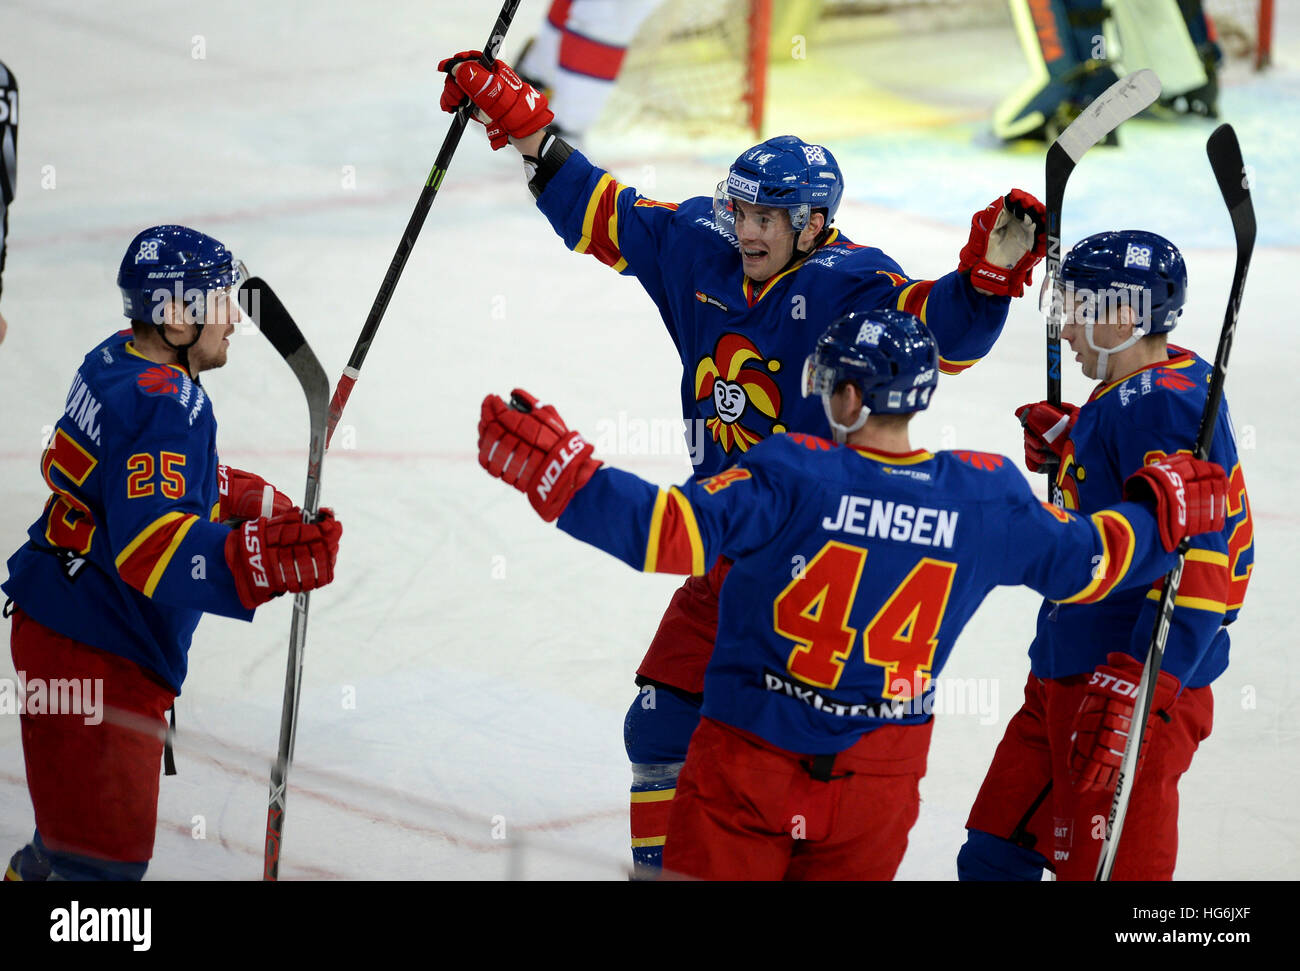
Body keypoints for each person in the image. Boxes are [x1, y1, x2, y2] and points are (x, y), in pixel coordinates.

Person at [437, 48, 1050, 870]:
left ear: (814, 223)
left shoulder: (852, 283)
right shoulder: (701, 245)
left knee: (772, 752)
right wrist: (527, 132)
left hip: (800, 543)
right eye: (742, 210)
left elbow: (939, 330)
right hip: (727, 526)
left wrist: (983, 284)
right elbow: (602, 212)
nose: (748, 229)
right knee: (658, 720)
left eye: (771, 216)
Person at [473, 308, 1228, 879]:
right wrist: (1160, 509)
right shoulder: (981, 495)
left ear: (851, 396)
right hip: (878, 783)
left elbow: (664, 531)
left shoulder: (791, 474)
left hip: (750, 763)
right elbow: (1089, 562)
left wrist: (566, 478)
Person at [2, 225, 343, 881]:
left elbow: (139, 481)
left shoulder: (113, 361)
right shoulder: (173, 403)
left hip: (58, 624)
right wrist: (262, 560)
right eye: (219, 300)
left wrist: (258, 505)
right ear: (177, 314)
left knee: (65, 852)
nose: (235, 318)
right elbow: (153, 551)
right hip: (98, 654)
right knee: (98, 878)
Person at [957, 230, 1255, 881]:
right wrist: (1075, 450)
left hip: (1127, 684)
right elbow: (1139, 506)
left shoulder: (1164, 406)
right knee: (993, 854)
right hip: (1068, 666)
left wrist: (1143, 684)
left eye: (1074, 307)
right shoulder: (1150, 381)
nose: (1062, 328)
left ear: (1123, 313)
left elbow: (1203, 563)